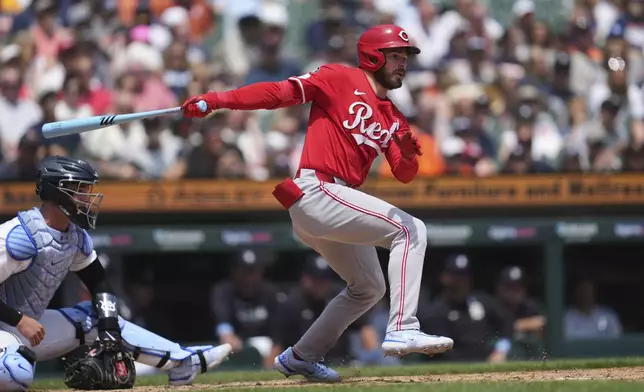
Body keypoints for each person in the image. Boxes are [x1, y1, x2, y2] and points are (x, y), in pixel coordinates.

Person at [181, 24, 453, 382]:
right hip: (317, 188)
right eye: (396, 57)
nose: (403, 65)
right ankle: (403, 326)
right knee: (410, 228)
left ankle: (301, 356)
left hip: (333, 203)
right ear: (373, 56)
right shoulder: (339, 77)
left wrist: (406, 153)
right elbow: (279, 92)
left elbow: (404, 173)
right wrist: (218, 100)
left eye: (405, 58)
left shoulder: (393, 115)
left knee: (369, 287)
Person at [0, 156, 232, 391]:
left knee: (97, 317)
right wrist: (18, 320)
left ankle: (183, 362)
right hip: (8, 326)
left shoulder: (74, 237)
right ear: (57, 192)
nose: (87, 198)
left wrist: (109, 331)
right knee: (14, 375)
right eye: (80, 190)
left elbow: (99, 283)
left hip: (29, 327)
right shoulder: (18, 237)